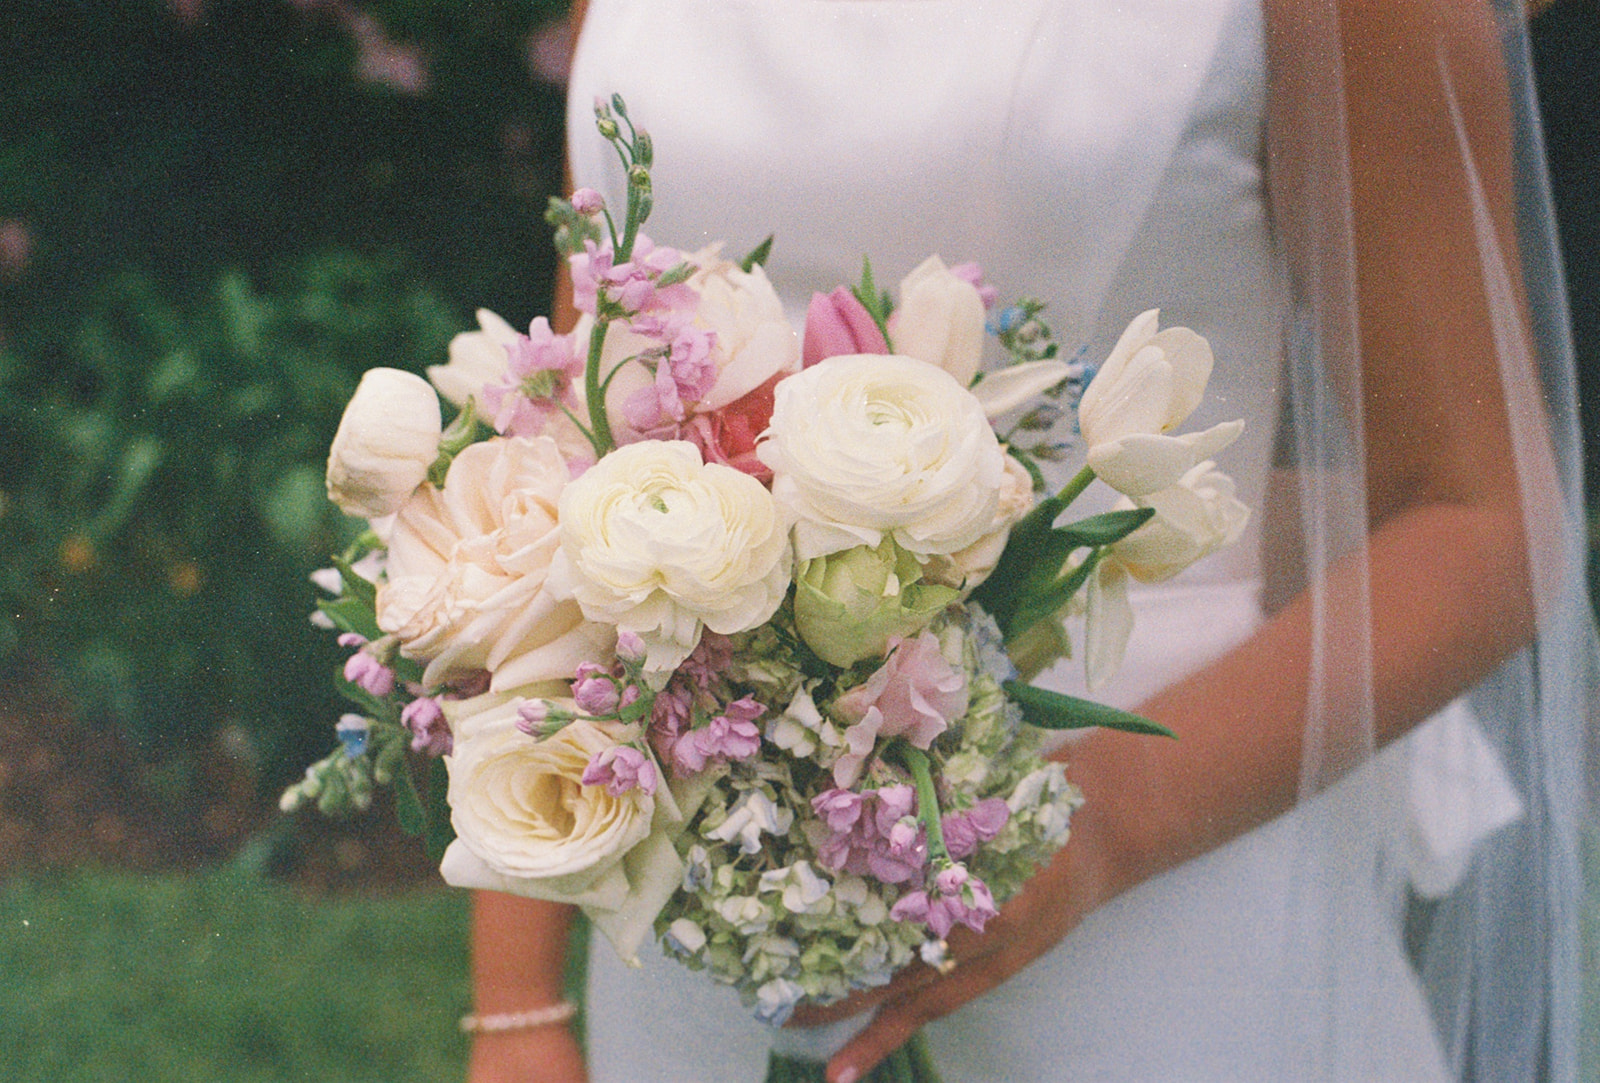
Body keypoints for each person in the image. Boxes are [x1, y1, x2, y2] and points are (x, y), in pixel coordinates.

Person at [466, 1, 1598, 1080]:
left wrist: (1104, 828)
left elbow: (1481, 519)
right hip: (693, 920)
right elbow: (578, 452)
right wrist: (517, 1005)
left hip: (1151, 878)